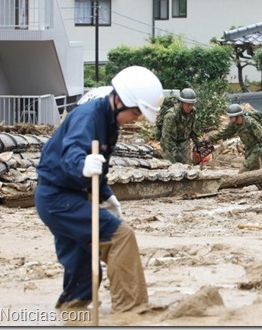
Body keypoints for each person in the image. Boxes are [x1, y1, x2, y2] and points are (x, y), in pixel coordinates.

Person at [35, 66, 164, 313]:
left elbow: (99, 167)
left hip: (67, 197)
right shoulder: (89, 117)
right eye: (136, 112)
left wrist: (106, 196)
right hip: (58, 198)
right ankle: (131, 310)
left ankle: (71, 311)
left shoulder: (110, 122)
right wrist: (81, 165)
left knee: (82, 263)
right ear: (120, 100)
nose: (136, 118)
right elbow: (72, 152)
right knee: (121, 236)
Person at [204, 104, 262, 190]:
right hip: (249, 149)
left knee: (244, 170)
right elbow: (224, 133)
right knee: (254, 171)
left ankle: (236, 187)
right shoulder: (234, 124)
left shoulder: (251, 123)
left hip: (258, 149)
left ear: (238, 116)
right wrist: (210, 138)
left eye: (232, 117)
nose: (230, 119)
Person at [156, 88, 199, 164]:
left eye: (192, 104)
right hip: (169, 144)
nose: (190, 107)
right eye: (188, 104)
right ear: (181, 102)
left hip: (184, 142)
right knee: (172, 168)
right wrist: (176, 154)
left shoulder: (192, 112)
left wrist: (197, 143)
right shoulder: (171, 115)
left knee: (187, 168)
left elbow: (192, 129)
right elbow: (167, 138)